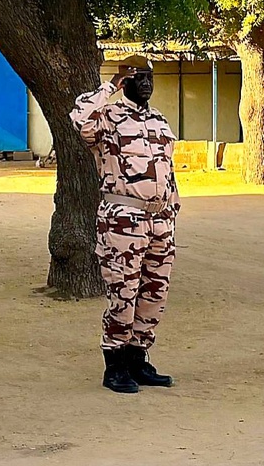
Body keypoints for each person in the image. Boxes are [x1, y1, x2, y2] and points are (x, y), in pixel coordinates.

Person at [69, 55, 181, 394]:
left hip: (159, 220)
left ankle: (137, 359)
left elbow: (167, 170)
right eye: (138, 78)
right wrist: (109, 88)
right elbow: (78, 117)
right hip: (123, 220)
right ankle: (115, 365)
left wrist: (172, 210)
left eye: (149, 78)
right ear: (124, 81)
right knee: (124, 292)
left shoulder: (159, 121)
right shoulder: (107, 118)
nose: (146, 84)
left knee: (154, 293)